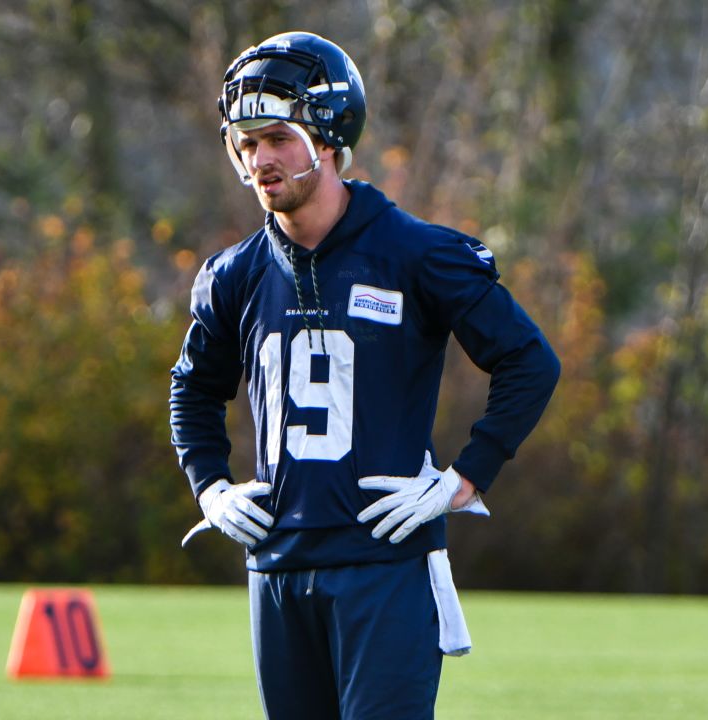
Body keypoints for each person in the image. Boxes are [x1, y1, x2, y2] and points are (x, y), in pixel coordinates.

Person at [169, 31, 560, 719]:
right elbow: (194, 388)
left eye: (277, 137)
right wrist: (210, 486)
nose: (260, 158)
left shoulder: (415, 253)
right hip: (278, 565)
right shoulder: (235, 274)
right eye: (246, 142)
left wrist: (465, 478)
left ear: (327, 138)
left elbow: (528, 360)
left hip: (385, 565)